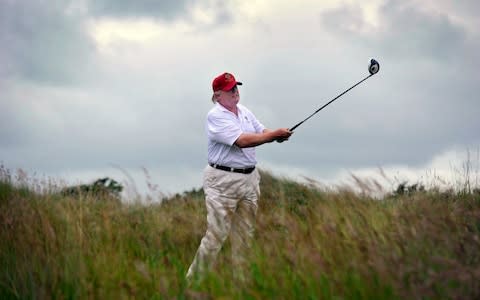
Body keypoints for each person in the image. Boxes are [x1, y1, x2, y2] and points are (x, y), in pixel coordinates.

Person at [186, 72, 292, 282]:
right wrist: (272, 136)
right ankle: (191, 284)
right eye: (230, 89)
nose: (235, 92)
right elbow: (242, 141)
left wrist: (277, 135)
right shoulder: (215, 116)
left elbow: (261, 131)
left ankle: (241, 287)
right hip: (222, 180)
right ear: (217, 96)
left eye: (236, 87)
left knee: (244, 237)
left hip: (249, 180)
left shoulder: (244, 111)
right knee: (216, 235)